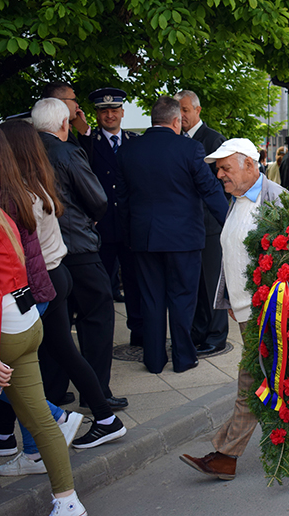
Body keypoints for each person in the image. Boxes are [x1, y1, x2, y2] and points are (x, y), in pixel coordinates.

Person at [178, 138, 289, 480]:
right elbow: (233, 251)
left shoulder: (277, 199)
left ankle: (225, 455)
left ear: (250, 164)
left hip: (270, 313)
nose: (220, 175)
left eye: (226, 168)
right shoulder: (236, 200)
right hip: (246, 309)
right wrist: (230, 300)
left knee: (252, 383)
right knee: (279, 376)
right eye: (218, 169)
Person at [0, 120, 126, 454]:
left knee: (21, 365)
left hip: (42, 283)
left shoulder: (19, 194)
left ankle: (31, 434)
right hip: (55, 275)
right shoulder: (36, 184)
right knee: (57, 354)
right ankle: (102, 419)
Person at [116, 96, 228, 374]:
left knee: (151, 300)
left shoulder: (129, 150)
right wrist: (230, 221)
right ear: (177, 121)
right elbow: (210, 189)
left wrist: (129, 234)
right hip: (183, 239)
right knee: (182, 298)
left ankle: (153, 359)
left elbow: (122, 199)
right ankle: (183, 357)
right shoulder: (190, 148)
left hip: (144, 239)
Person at [33, 98, 127, 411]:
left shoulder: (26, 152)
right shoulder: (66, 150)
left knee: (56, 322)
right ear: (63, 124)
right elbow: (97, 197)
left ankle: (54, 391)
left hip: (43, 251)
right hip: (77, 246)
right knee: (97, 317)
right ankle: (96, 392)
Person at [0, 205, 89, 514]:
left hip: (7, 331)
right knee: (42, 421)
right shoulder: (3, 214)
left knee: (40, 420)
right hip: (25, 321)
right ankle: (67, 502)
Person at [77, 87, 144, 348]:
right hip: (101, 226)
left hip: (129, 225)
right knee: (101, 285)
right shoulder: (88, 142)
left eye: (114, 110)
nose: (109, 115)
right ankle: (100, 335)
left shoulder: (134, 142)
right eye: (104, 111)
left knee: (134, 282)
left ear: (122, 112)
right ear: (96, 114)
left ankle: (138, 330)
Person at [174, 90, 230, 357]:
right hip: (186, 226)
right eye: (178, 110)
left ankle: (217, 335)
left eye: (185, 110)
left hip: (209, 225)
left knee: (213, 283)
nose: (181, 115)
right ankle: (198, 332)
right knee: (194, 284)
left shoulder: (213, 139)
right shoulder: (175, 140)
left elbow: (221, 185)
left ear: (197, 110)